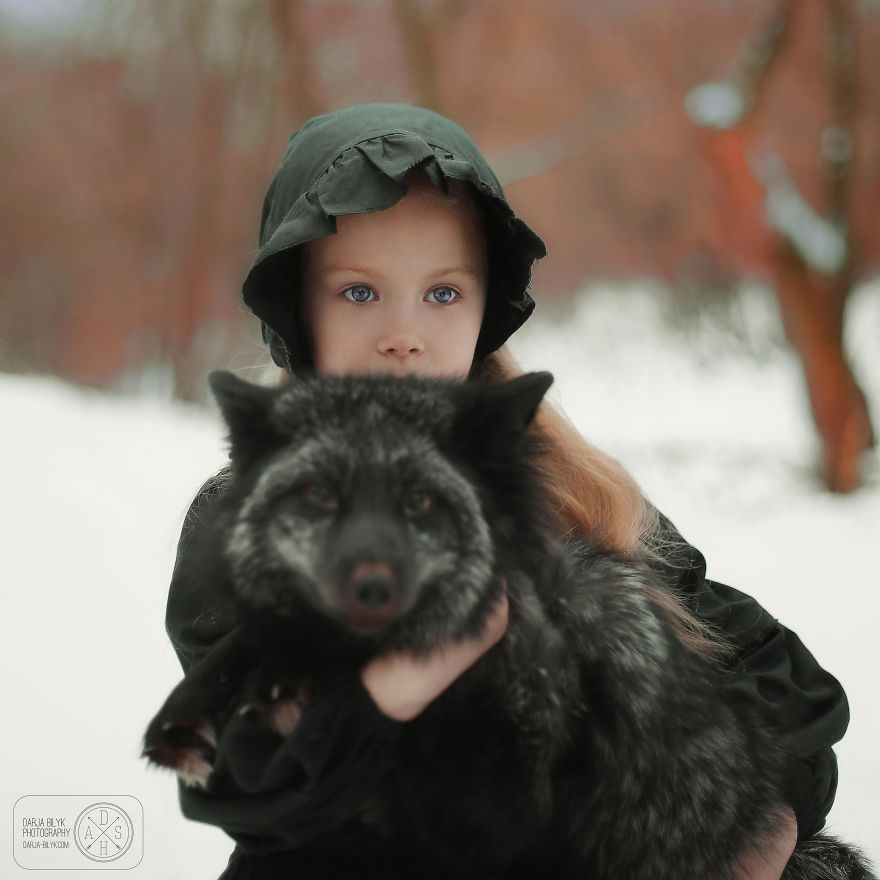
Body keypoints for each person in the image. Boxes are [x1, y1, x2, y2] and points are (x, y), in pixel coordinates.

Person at [164, 103, 849, 879]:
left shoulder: (570, 486)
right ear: (299, 308)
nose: (404, 335)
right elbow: (248, 772)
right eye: (359, 292)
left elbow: (781, 696)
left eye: (442, 293)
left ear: (484, 304)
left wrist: (756, 840)